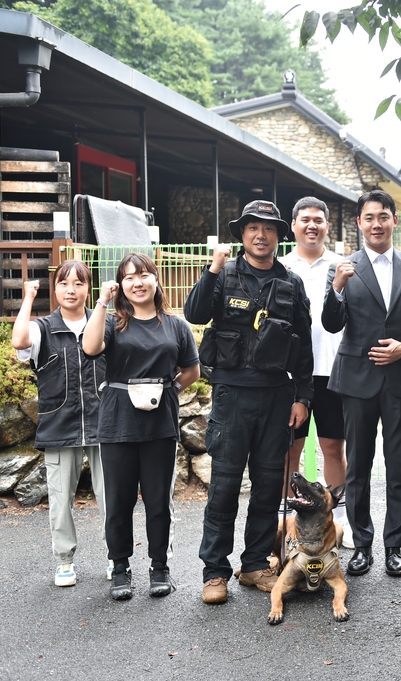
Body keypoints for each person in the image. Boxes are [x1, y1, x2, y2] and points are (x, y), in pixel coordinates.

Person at [184, 200, 314, 604]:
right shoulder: (223, 276)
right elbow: (194, 312)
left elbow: (305, 346)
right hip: (231, 397)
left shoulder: (292, 284)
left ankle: (255, 563)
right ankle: (215, 573)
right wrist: (212, 269)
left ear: (279, 235)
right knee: (223, 487)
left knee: (265, 489)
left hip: (276, 397)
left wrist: (303, 397)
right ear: (242, 234)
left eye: (269, 229)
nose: (261, 235)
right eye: (253, 228)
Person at [321, 189, 401, 578]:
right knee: (358, 467)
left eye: (383, 216)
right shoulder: (343, 267)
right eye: (369, 217)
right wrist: (336, 287)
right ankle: (362, 545)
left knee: (399, 465)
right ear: (359, 222)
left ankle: (394, 546)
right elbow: (331, 323)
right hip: (357, 378)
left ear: (394, 221)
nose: (376, 223)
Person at [82, 253, 200, 600]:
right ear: (121, 284)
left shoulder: (174, 324)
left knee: (158, 501)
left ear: (156, 279)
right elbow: (90, 348)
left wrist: (169, 390)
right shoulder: (113, 320)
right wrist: (101, 301)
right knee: (118, 501)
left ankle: (159, 566)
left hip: (160, 424)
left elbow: (191, 369)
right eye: (130, 277)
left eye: (144, 274)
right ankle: (120, 568)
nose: (138, 282)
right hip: (117, 421)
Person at [11, 260, 110, 587]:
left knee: (112, 496)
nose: (71, 289)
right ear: (55, 289)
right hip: (59, 426)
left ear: (87, 289)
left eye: (79, 283)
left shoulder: (103, 325)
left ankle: (116, 557)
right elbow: (19, 341)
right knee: (60, 500)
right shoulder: (43, 328)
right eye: (64, 283)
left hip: (102, 425)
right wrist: (27, 298)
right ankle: (65, 561)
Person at [279, 196, 352, 548]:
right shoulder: (280, 267)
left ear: (327, 226)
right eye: (304, 219)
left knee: (333, 448)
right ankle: (289, 523)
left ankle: (338, 522)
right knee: (289, 451)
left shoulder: (342, 266)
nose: (312, 225)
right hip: (291, 375)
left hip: (333, 370)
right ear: (293, 225)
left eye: (318, 220)